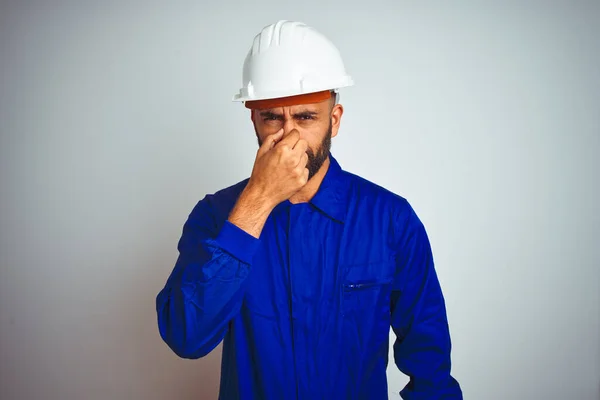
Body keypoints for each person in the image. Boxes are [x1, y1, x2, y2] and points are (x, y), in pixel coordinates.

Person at [156, 20, 462, 400]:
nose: (289, 137)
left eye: (305, 117)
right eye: (272, 118)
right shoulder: (215, 215)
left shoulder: (390, 220)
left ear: (334, 120)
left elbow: (430, 367)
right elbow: (187, 336)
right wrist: (258, 201)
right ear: (253, 119)